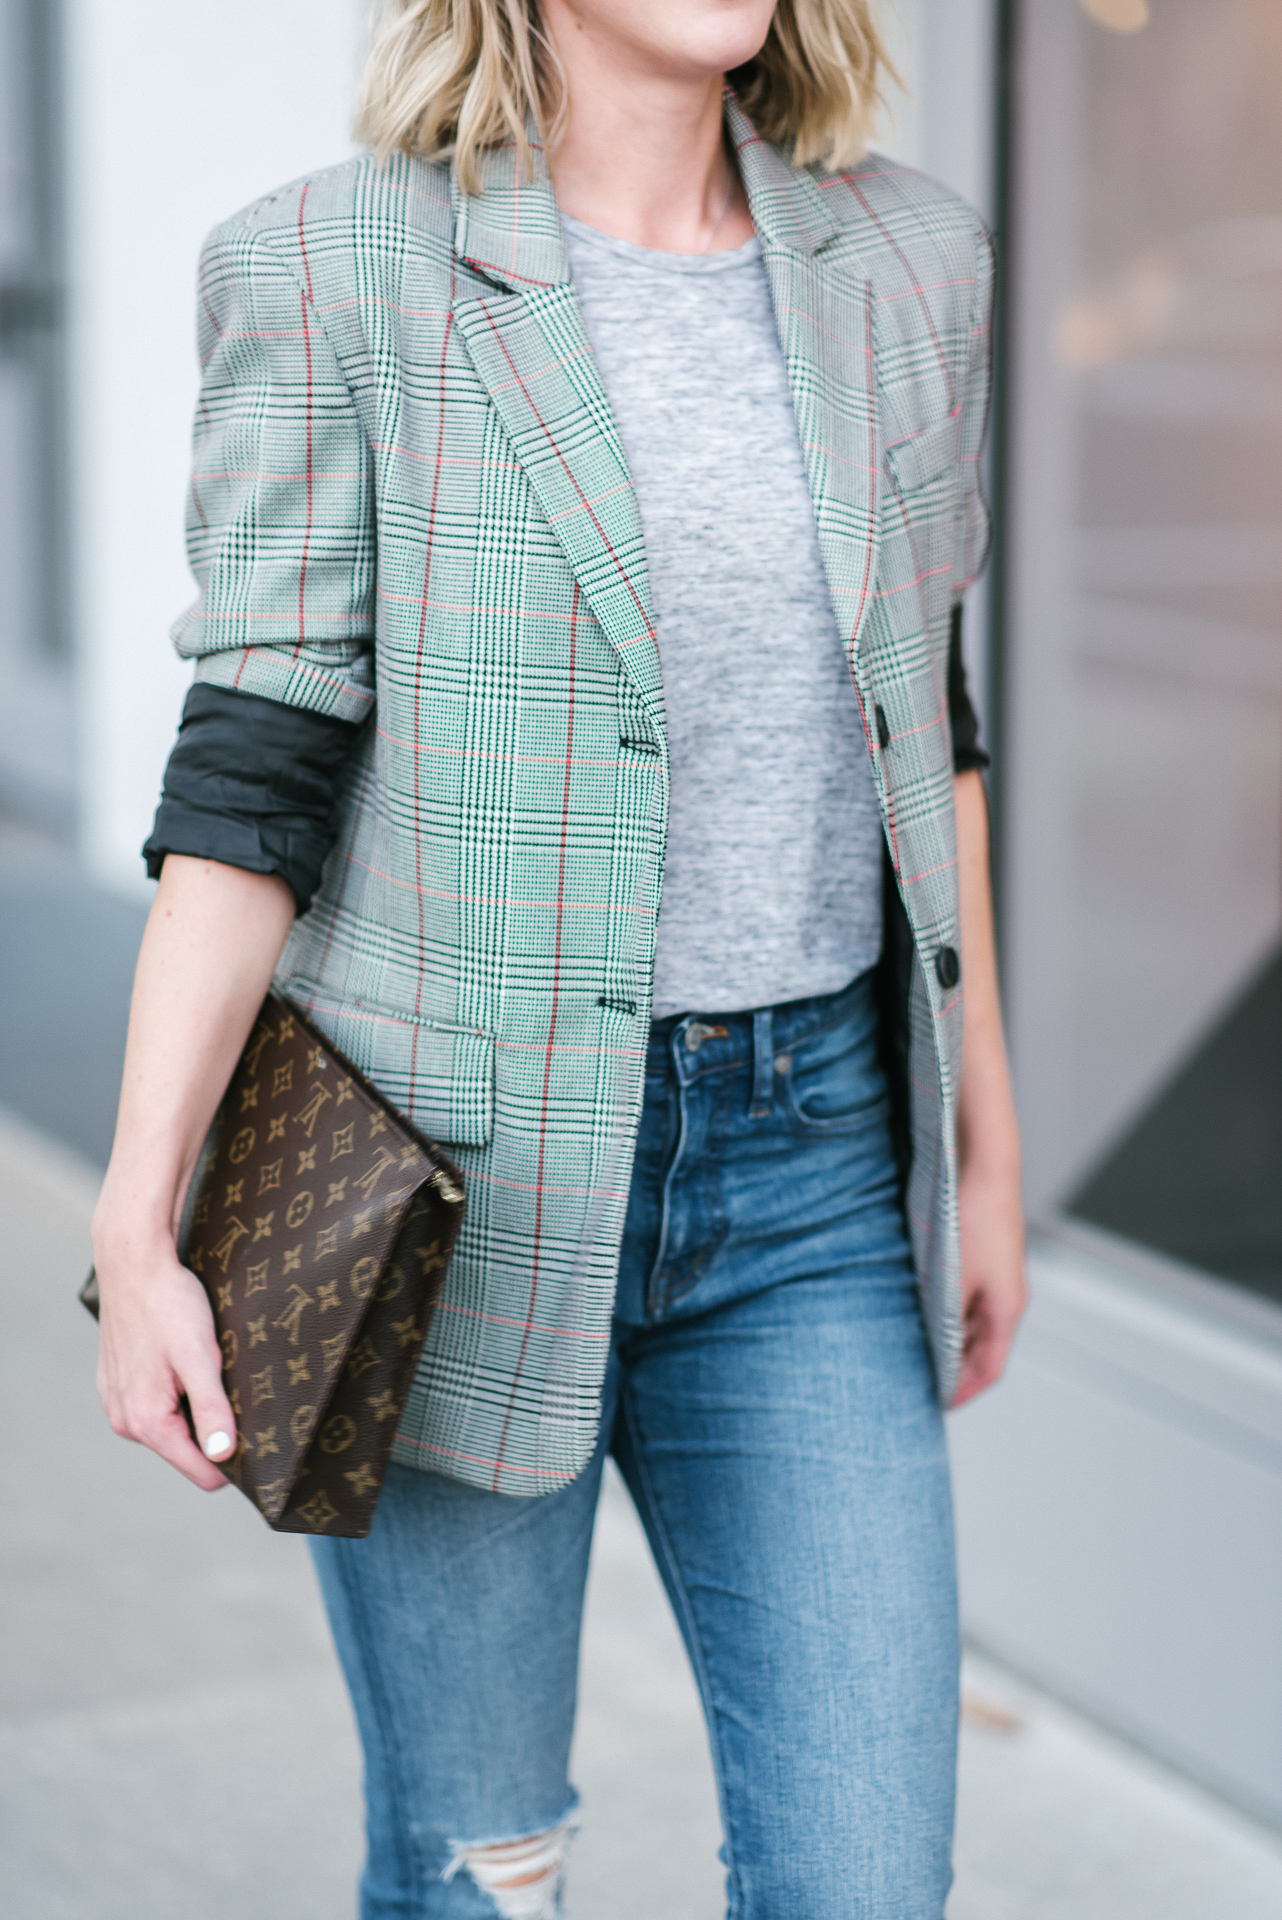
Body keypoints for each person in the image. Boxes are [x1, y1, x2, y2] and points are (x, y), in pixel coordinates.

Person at [90, 1, 1027, 1913]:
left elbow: (925, 728)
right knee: (479, 1874)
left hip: (806, 1190)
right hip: (445, 1191)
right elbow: (260, 753)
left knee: (865, 1879)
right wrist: (138, 1205)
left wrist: (987, 1156)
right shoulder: (326, 267)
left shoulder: (910, 261)